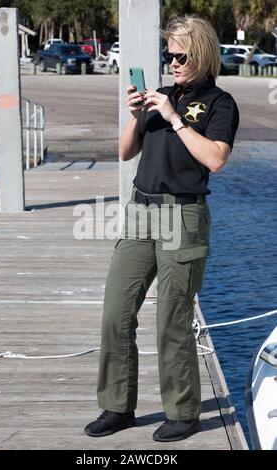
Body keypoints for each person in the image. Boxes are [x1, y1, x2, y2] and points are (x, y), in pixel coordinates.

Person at [84, 14, 239, 442]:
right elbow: (124, 152)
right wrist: (136, 116)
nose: (172, 61)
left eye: (180, 54)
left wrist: (174, 118)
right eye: (167, 53)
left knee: (171, 319)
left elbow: (215, 159)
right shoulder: (162, 95)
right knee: (116, 311)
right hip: (140, 212)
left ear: (201, 54)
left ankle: (183, 412)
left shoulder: (220, 103)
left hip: (183, 216)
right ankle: (118, 406)